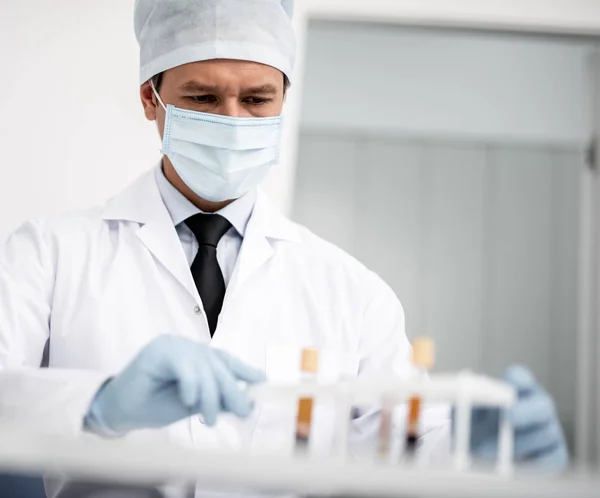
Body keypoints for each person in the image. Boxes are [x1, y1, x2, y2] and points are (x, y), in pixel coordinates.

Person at [0, 0, 567, 496]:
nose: (232, 119)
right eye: (202, 96)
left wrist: (481, 457)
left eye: (256, 99)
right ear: (151, 98)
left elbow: (403, 454)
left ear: (283, 100)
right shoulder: (49, 255)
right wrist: (100, 403)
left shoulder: (351, 292)